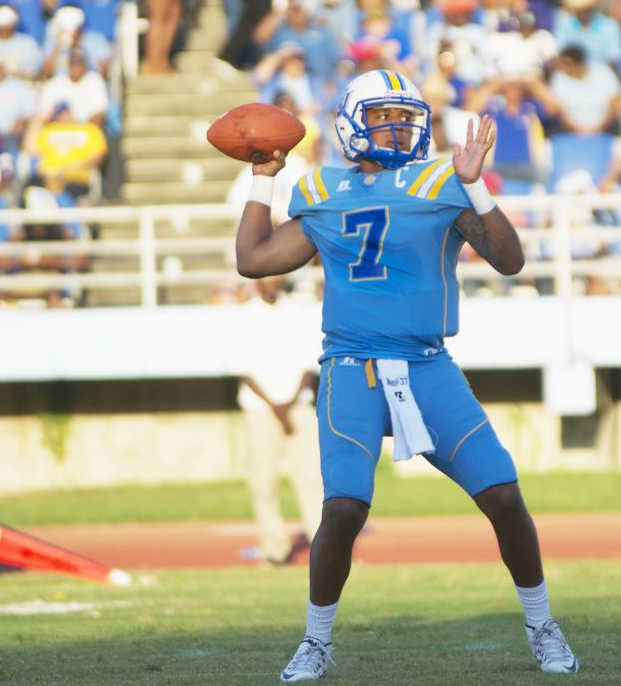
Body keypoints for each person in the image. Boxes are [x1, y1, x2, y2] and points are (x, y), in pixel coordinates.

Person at [235, 70, 578, 681]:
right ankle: (315, 641)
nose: (396, 126)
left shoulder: (442, 180)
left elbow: (510, 259)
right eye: (382, 116)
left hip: (427, 365)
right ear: (349, 125)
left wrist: (476, 188)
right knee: (342, 509)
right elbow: (254, 260)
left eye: (404, 116)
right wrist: (262, 180)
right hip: (350, 367)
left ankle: (542, 624)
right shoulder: (318, 187)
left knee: (502, 493)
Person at [236, 277, 323, 566]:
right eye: (266, 279)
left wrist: (288, 404)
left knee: (311, 477)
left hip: (297, 405)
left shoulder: (298, 311)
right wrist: (276, 407)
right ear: (257, 283)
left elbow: (310, 365)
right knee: (264, 481)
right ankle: (274, 550)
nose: (271, 284)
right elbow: (243, 369)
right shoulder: (245, 315)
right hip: (261, 408)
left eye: (276, 278)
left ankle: (324, 549)